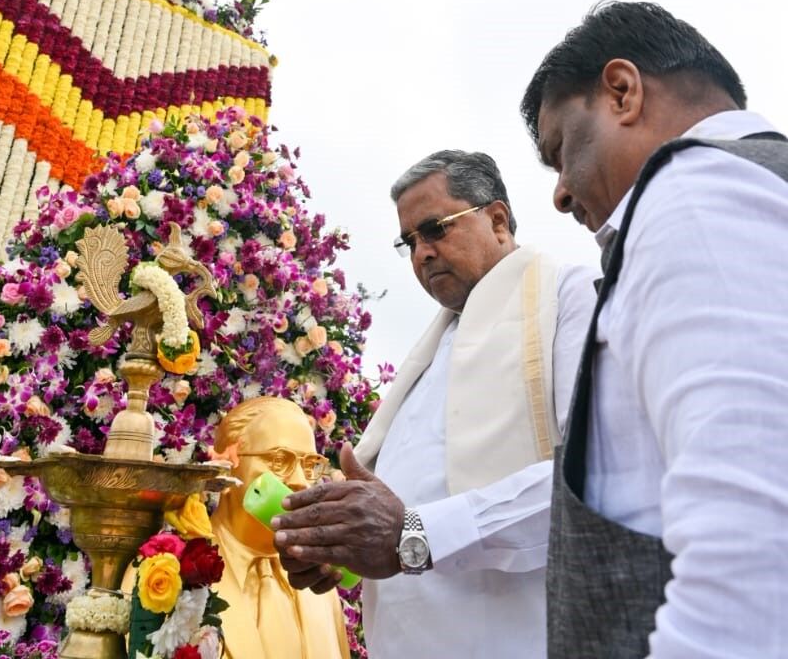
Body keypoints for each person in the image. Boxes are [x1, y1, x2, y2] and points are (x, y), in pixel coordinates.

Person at [520, 0, 788, 658]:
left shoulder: (695, 190)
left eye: (560, 151)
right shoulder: (749, 186)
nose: (560, 192)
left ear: (621, 92)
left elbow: (754, 546)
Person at [272, 150, 597, 657]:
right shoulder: (428, 355)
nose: (421, 253)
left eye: (435, 229)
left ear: (498, 220)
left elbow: (591, 479)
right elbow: (396, 518)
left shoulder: (567, 297)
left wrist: (414, 535)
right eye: (409, 242)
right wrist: (334, 543)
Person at [208, 396, 350, 659]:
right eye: (279, 461)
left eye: (310, 465)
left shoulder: (319, 584)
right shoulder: (169, 570)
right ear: (226, 467)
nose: (300, 482)